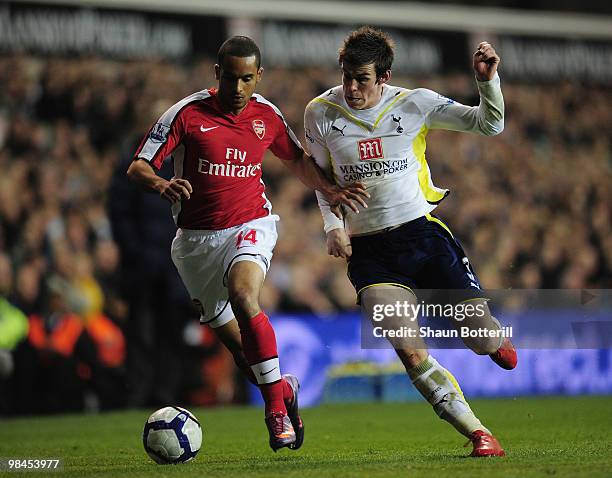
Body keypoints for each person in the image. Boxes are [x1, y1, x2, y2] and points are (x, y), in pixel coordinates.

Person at [127, 36, 368, 451]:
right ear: (217, 74)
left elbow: (296, 161)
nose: (238, 90)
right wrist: (162, 183)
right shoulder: (186, 114)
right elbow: (138, 167)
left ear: (259, 77)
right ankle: (283, 391)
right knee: (243, 354)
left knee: (244, 295)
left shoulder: (266, 116)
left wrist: (332, 190)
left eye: (247, 80)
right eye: (231, 79)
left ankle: (275, 413)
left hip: (250, 223)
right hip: (195, 243)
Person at [304, 27, 517, 457]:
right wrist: (333, 226)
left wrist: (486, 81)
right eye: (346, 75)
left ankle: (496, 341)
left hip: (423, 238)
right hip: (369, 255)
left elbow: (489, 123)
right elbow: (320, 178)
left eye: (362, 78)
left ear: (384, 76)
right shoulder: (319, 113)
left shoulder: (415, 103)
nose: (351, 87)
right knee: (410, 351)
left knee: (482, 340)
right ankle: (479, 434)